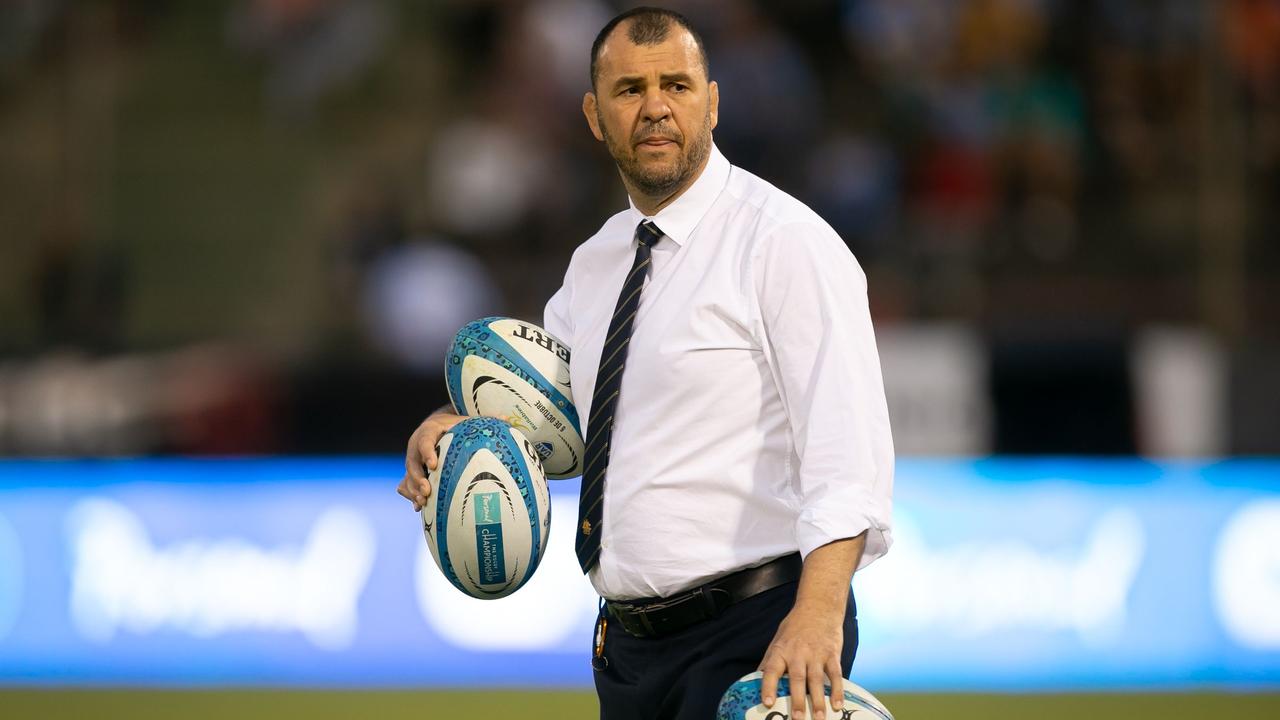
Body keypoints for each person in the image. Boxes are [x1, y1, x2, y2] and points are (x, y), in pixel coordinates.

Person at [397, 7, 893, 720]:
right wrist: (454, 422)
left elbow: (849, 455)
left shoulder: (784, 242)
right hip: (628, 650)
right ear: (595, 117)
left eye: (676, 86)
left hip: (756, 635)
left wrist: (818, 613)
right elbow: (562, 409)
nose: (655, 107)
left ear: (713, 103)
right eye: (630, 90)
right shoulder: (597, 261)